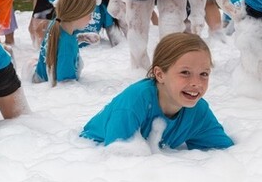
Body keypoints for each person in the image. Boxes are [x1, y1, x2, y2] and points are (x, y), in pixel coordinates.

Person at [81, 32, 234, 150]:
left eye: (204, 74)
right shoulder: (135, 101)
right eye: (185, 72)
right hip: (88, 152)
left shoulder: (198, 111)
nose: (196, 83)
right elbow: (119, 162)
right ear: (160, 74)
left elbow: (224, 151)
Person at [33, 0, 100, 86]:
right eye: (89, 13)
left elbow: (59, 46)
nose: (91, 18)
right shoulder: (66, 46)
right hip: (49, 91)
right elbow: (66, 84)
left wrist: (81, 38)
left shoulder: (57, 24)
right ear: (77, 14)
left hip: (39, 80)